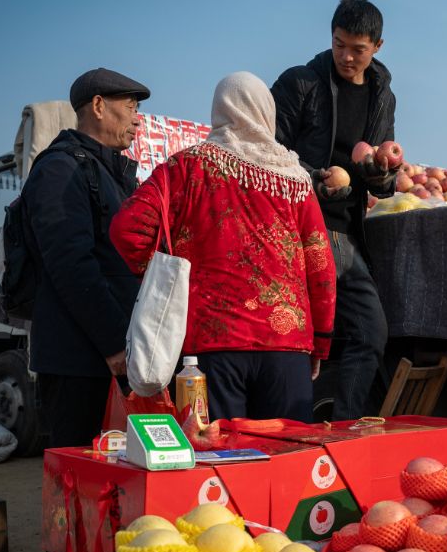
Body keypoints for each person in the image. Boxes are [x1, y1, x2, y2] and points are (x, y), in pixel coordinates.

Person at [111, 72, 336, 420]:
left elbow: (127, 228)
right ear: (267, 113)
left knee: (220, 462)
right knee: (288, 460)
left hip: (208, 350)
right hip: (286, 349)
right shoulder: (295, 179)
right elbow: (321, 264)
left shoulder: (185, 168)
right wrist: (320, 342)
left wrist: (161, 275)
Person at [22, 67, 150, 552]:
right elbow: (70, 263)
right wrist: (114, 342)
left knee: (110, 469)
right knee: (70, 466)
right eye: (129, 105)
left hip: (112, 349)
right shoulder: (59, 170)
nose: (136, 116)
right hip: (78, 351)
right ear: (98, 105)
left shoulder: (118, 172)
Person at [271, 0, 400, 420]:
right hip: (301, 225)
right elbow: (267, 152)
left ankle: (344, 427)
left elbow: (380, 174)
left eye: (357, 49)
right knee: (300, 339)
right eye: (339, 44)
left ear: (377, 46)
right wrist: (318, 178)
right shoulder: (300, 84)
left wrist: (381, 173)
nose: (346, 56)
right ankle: (294, 432)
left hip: (347, 232)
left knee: (370, 332)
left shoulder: (383, 94)